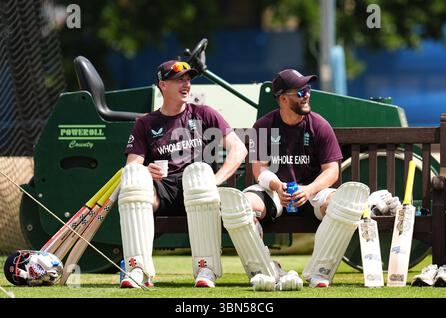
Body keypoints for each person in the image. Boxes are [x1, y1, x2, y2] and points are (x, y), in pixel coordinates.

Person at [118, 59, 249, 288]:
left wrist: (214, 181)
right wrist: (145, 170)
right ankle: (137, 269)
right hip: (163, 190)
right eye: (179, 80)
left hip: (200, 191)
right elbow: (132, 167)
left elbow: (239, 149)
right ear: (163, 85)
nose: (186, 84)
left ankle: (205, 269)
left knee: (197, 173)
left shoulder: (204, 114)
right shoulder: (146, 124)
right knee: (133, 177)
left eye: (188, 80)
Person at [242, 69, 370, 288]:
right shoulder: (263, 126)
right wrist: (276, 185)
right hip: (274, 192)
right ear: (282, 98)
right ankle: (268, 270)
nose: (307, 94)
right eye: (300, 91)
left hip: (313, 193)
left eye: (307, 89)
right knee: (242, 206)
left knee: (344, 202)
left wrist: (309, 190)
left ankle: (319, 272)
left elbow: (332, 171)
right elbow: (259, 170)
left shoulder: (319, 125)